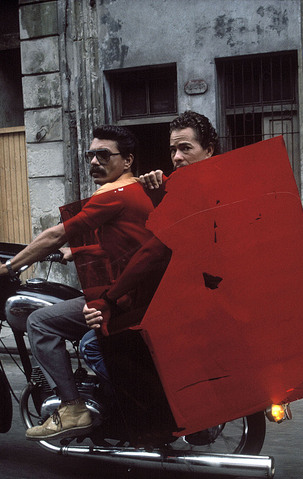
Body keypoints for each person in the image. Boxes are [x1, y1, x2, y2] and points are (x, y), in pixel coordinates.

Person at [0, 125, 155, 441]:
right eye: (91, 154)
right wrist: (76, 252)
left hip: (124, 299)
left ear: (127, 161)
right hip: (139, 294)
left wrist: (7, 268)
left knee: (41, 322)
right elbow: (127, 247)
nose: (95, 161)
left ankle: (72, 409)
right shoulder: (132, 192)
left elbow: (55, 233)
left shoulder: (114, 194)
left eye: (104, 155)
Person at [79, 111, 220, 375]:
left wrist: (109, 298)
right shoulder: (183, 191)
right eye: (173, 150)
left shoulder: (201, 194)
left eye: (185, 148)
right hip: (189, 298)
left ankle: (140, 414)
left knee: (91, 345)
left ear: (209, 150)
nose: (177, 157)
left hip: (194, 306)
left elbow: (156, 250)